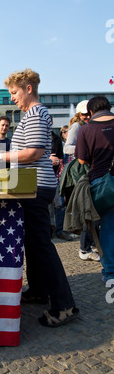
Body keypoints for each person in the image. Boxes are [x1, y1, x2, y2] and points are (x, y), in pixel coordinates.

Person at [0, 69, 79, 327]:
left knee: (41, 245)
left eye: (14, 92)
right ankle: (39, 290)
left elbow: (33, 153)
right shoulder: (32, 114)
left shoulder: (37, 114)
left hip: (36, 187)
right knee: (33, 242)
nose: (13, 98)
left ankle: (65, 305)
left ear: (28, 88)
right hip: (31, 186)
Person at [75, 96, 114, 283]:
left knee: (107, 228)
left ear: (90, 112)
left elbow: (81, 160)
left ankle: (110, 274)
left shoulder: (86, 129)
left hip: (102, 182)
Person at [64, 101, 99, 261]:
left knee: (92, 210)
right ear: (78, 114)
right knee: (87, 209)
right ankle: (84, 248)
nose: (86, 116)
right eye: (83, 114)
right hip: (78, 172)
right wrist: (84, 150)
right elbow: (67, 148)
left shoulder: (89, 126)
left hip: (87, 170)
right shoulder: (77, 127)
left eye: (88, 114)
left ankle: (90, 245)